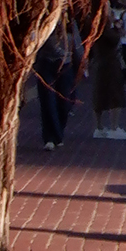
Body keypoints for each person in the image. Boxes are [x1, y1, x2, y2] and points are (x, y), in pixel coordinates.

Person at [32, 12, 83, 150]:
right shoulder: (45, 21)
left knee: (65, 102)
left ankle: (58, 132)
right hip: (47, 63)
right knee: (48, 101)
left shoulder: (70, 23)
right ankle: (50, 138)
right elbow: (40, 41)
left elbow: (77, 43)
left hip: (66, 64)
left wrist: (81, 63)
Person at [90, 8, 126, 140]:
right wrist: (117, 28)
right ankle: (114, 127)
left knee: (99, 94)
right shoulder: (105, 29)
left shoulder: (95, 27)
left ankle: (99, 127)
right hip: (110, 64)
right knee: (115, 95)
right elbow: (115, 39)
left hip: (99, 62)